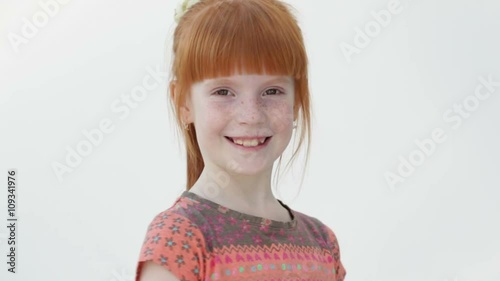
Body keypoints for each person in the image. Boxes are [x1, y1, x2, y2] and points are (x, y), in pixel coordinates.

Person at [135, 0, 347, 280]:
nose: (251, 116)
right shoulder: (181, 239)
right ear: (184, 102)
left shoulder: (322, 243)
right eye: (223, 92)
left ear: (297, 101)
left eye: (272, 91)